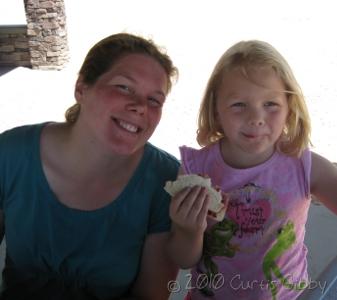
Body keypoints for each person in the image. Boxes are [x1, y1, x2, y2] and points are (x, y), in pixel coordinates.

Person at [0, 33, 180, 300]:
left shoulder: (164, 178)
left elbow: (152, 294)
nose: (141, 107)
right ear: (82, 87)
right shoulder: (11, 153)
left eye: (155, 100)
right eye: (124, 87)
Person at [167, 40, 337, 299]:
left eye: (271, 104)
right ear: (216, 107)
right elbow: (183, 259)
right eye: (238, 105)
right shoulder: (195, 171)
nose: (256, 117)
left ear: (289, 108)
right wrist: (189, 229)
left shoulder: (306, 167)